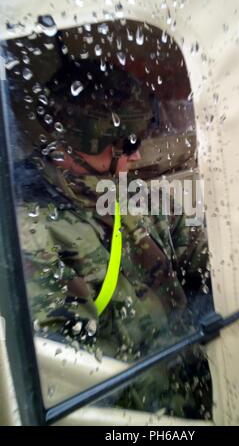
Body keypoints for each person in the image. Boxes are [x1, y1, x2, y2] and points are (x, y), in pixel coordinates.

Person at [16, 60, 213, 419]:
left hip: (193, 390)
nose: (137, 153)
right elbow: (61, 376)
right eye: (129, 141)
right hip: (134, 414)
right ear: (84, 139)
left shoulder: (137, 195)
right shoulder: (30, 232)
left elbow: (206, 256)